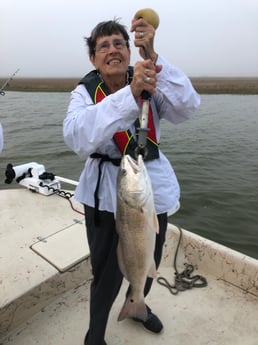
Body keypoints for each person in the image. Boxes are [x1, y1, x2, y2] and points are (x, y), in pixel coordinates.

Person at [63, 15, 200, 345]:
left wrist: (153, 58)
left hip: (149, 189)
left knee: (147, 260)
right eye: (104, 46)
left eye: (119, 43)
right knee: (106, 275)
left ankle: (137, 304)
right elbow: (77, 136)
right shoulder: (83, 94)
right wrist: (130, 93)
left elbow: (188, 107)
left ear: (129, 50)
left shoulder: (149, 79)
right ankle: (94, 336)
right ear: (93, 58)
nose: (113, 50)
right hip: (104, 196)